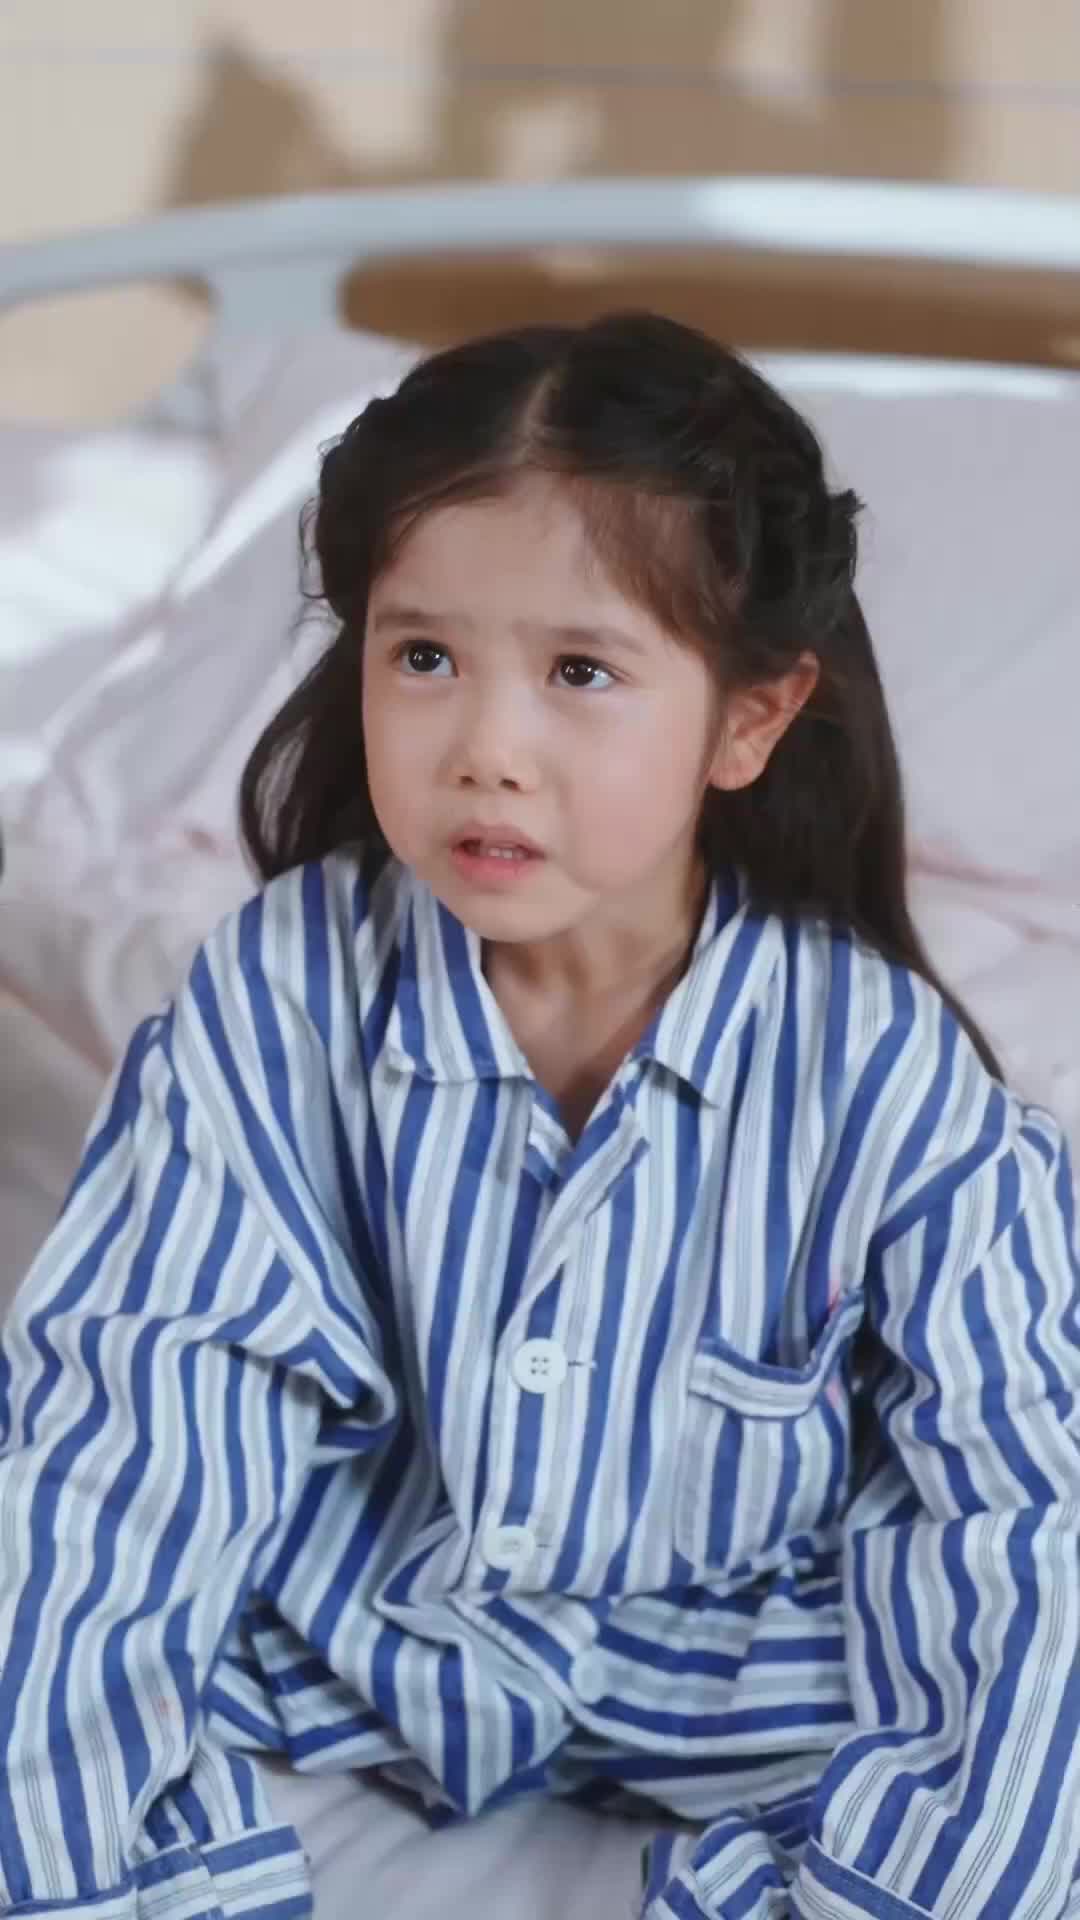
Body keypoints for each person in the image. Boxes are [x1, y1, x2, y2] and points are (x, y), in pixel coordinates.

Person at [1, 313, 1078, 1920]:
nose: (486, 752)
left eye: (581, 673)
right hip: (351, 1636)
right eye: (423, 657)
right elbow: (140, 1429)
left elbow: (1020, 1515)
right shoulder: (286, 990)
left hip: (758, 1691)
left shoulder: (884, 1075)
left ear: (749, 719)